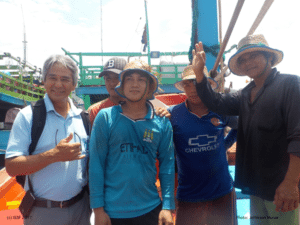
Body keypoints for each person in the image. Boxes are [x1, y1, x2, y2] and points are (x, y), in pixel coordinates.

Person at [194, 34, 300, 224]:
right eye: (242, 59)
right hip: (255, 186)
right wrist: (200, 75)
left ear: (269, 57)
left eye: (254, 56)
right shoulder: (245, 94)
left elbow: (298, 137)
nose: (248, 62)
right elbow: (216, 102)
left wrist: (291, 183)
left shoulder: (290, 85)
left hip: (280, 187)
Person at [5, 55, 90, 225]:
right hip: (44, 212)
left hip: (81, 208)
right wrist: (53, 155)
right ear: (43, 80)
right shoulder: (29, 116)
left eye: (65, 79)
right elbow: (12, 167)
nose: (58, 84)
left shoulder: (83, 118)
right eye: (52, 78)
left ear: (74, 85)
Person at [89, 60, 175, 225]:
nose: (135, 84)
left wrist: (168, 206)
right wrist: (98, 210)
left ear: (149, 86)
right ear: (122, 84)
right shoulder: (105, 117)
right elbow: (96, 164)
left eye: (141, 79)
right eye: (129, 79)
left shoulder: (162, 122)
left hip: (151, 209)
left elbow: (167, 166)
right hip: (112, 212)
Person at [157, 65, 238, 224]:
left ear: (206, 85)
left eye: (197, 83)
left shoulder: (221, 110)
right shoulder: (172, 114)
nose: (192, 89)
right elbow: (162, 152)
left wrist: (224, 145)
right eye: (187, 84)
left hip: (222, 191)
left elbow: (238, 126)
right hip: (189, 195)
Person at [88, 57, 126, 126]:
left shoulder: (137, 108)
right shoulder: (95, 111)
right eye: (108, 78)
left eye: (117, 77)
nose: (112, 83)